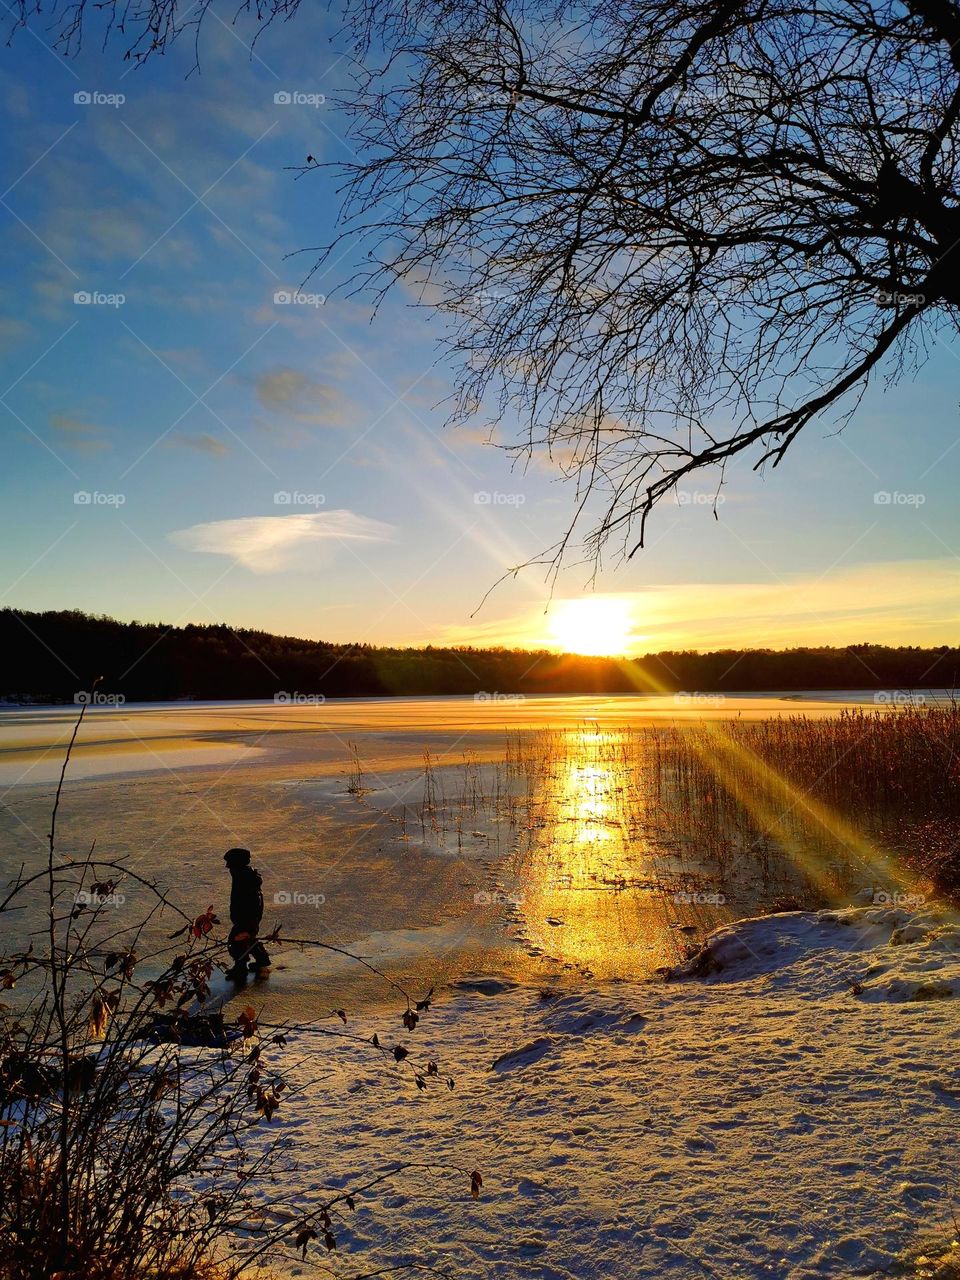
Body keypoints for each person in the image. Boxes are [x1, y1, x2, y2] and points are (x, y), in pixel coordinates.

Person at [223, 847, 271, 980]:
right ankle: (262, 961)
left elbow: (246, 899)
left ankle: (241, 968)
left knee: (236, 941)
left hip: (246, 917)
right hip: (249, 916)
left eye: (229, 863)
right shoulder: (245, 875)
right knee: (248, 938)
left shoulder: (242, 877)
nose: (227, 866)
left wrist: (243, 918)